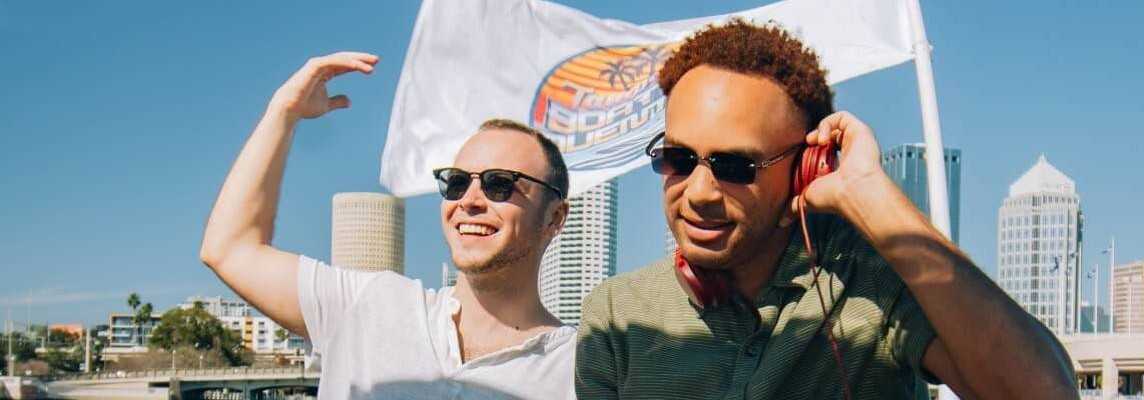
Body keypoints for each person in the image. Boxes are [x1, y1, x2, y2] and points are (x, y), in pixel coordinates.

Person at [575, 20, 1076, 399]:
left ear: (806, 170)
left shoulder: (875, 284)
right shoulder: (617, 314)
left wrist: (871, 193)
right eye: (678, 159)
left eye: (736, 166)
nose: (700, 191)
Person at [199, 52, 577, 399]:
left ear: (554, 218)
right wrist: (282, 113)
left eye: (500, 183)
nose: (470, 200)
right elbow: (229, 250)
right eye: (457, 182)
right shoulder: (369, 304)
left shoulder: (580, 372)